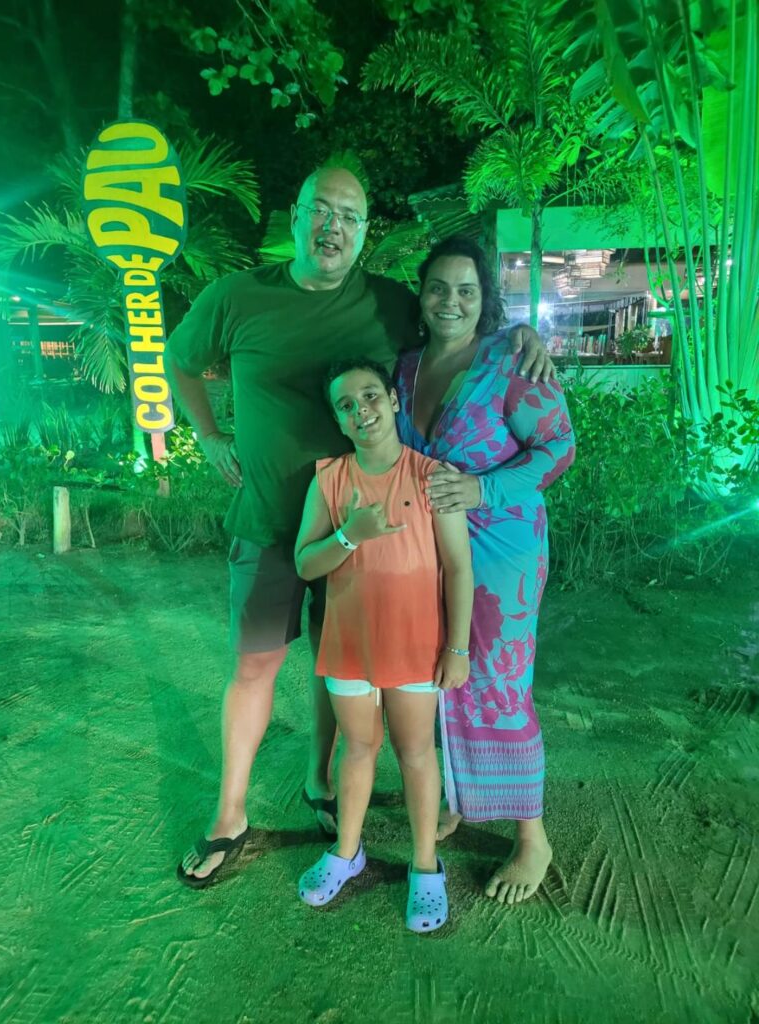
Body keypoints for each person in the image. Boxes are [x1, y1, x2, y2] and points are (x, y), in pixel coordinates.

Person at [168, 165, 553, 887]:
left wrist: (522, 333)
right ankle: (229, 816)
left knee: (338, 665)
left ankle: (320, 781)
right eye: (322, 210)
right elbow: (179, 360)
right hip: (269, 523)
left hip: (367, 532)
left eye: (350, 215)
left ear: (365, 231)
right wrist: (208, 434)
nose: (333, 227)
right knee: (254, 665)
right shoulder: (235, 296)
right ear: (295, 216)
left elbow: (458, 318)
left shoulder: (386, 302)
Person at [394, 235, 576, 905]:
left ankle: (533, 837)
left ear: (484, 299)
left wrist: (483, 489)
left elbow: (559, 447)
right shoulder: (405, 367)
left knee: (499, 685)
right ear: (421, 295)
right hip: (429, 550)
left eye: (466, 290)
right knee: (444, 676)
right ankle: (462, 796)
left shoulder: (510, 360)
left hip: (502, 555)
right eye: (439, 288)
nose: (451, 301)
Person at [293, 359, 473, 932]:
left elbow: (458, 568)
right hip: (350, 644)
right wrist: (351, 534)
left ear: (394, 400)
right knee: (357, 748)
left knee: (416, 752)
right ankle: (348, 852)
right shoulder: (329, 480)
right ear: (338, 420)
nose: (361, 410)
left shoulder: (432, 476)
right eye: (346, 405)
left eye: (370, 396)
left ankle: (425, 865)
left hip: (417, 644)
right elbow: (305, 563)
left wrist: (458, 648)